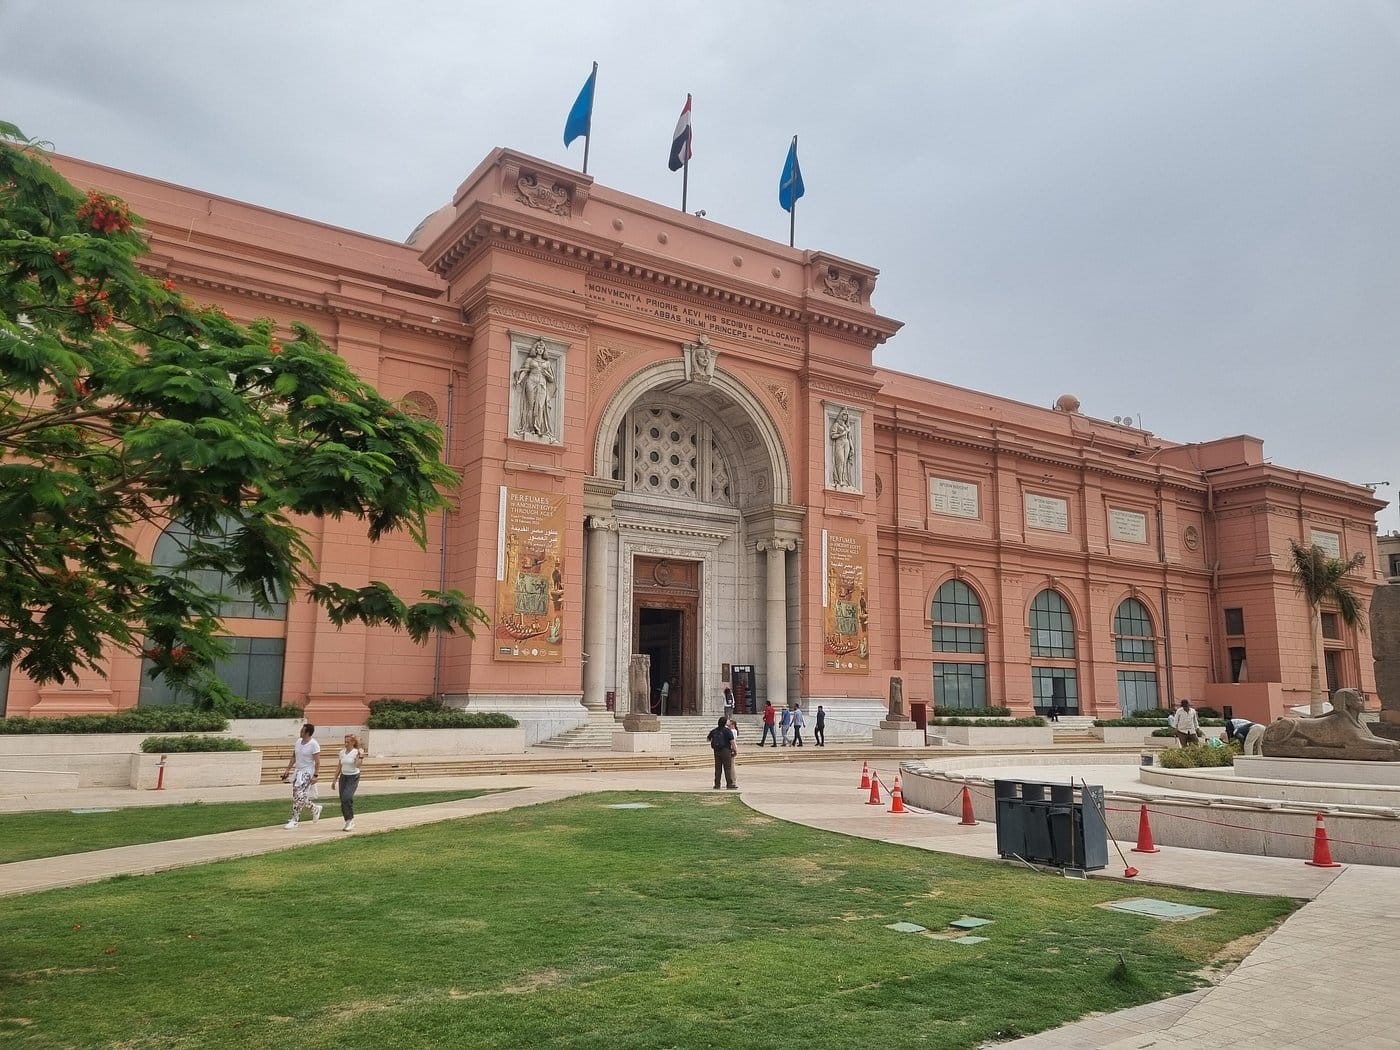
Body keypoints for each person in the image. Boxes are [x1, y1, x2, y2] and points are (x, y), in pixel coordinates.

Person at [279, 723, 322, 828]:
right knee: (297, 795)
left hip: (307, 772)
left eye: (302, 731)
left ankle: (295, 819)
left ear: (307, 733)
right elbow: (294, 756)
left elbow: (317, 761)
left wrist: (315, 775)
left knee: (298, 795)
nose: (300, 732)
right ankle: (314, 808)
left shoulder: (313, 744)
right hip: (298, 771)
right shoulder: (298, 742)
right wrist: (288, 769)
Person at [513, 339, 555, 439]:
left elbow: (551, 379)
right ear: (535, 349)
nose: (540, 349)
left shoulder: (547, 363)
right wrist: (519, 380)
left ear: (544, 350)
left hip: (542, 383)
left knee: (540, 406)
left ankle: (538, 427)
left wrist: (547, 374)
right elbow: (525, 371)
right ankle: (530, 427)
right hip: (531, 381)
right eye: (538, 348)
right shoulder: (530, 360)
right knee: (531, 405)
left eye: (542, 348)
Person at [331, 732, 367, 832]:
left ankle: (350, 820)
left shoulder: (356, 752)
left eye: (348, 742)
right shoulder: (342, 752)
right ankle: (347, 820)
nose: (346, 744)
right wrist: (334, 779)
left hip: (353, 777)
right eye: (345, 742)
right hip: (344, 776)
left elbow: (357, 765)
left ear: (353, 742)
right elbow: (339, 766)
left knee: (347, 797)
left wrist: (361, 756)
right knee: (343, 799)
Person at [707, 716, 737, 790]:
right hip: (725, 750)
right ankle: (729, 784)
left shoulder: (714, 730)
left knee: (718, 768)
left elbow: (708, 738)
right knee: (727, 768)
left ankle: (717, 784)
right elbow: (732, 741)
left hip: (716, 750)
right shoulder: (727, 731)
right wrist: (735, 750)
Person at [829, 408, 854, 487]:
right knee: (840, 461)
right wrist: (842, 434)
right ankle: (839, 480)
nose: (846, 417)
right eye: (844, 415)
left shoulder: (847, 426)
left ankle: (843, 479)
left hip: (846, 443)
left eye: (847, 415)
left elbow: (849, 438)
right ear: (841, 416)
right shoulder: (836, 424)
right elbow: (833, 435)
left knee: (845, 463)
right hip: (839, 442)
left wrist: (852, 448)